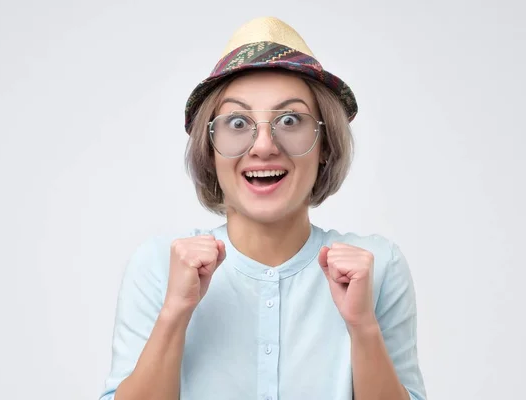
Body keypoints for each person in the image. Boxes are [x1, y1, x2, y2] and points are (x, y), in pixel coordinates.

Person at [99, 16, 427, 400]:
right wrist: (174, 314)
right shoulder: (157, 265)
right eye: (237, 122)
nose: (263, 145)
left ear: (326, 147)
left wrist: (362, 326)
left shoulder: (378, 267)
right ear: (210, 151)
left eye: (290, 120)